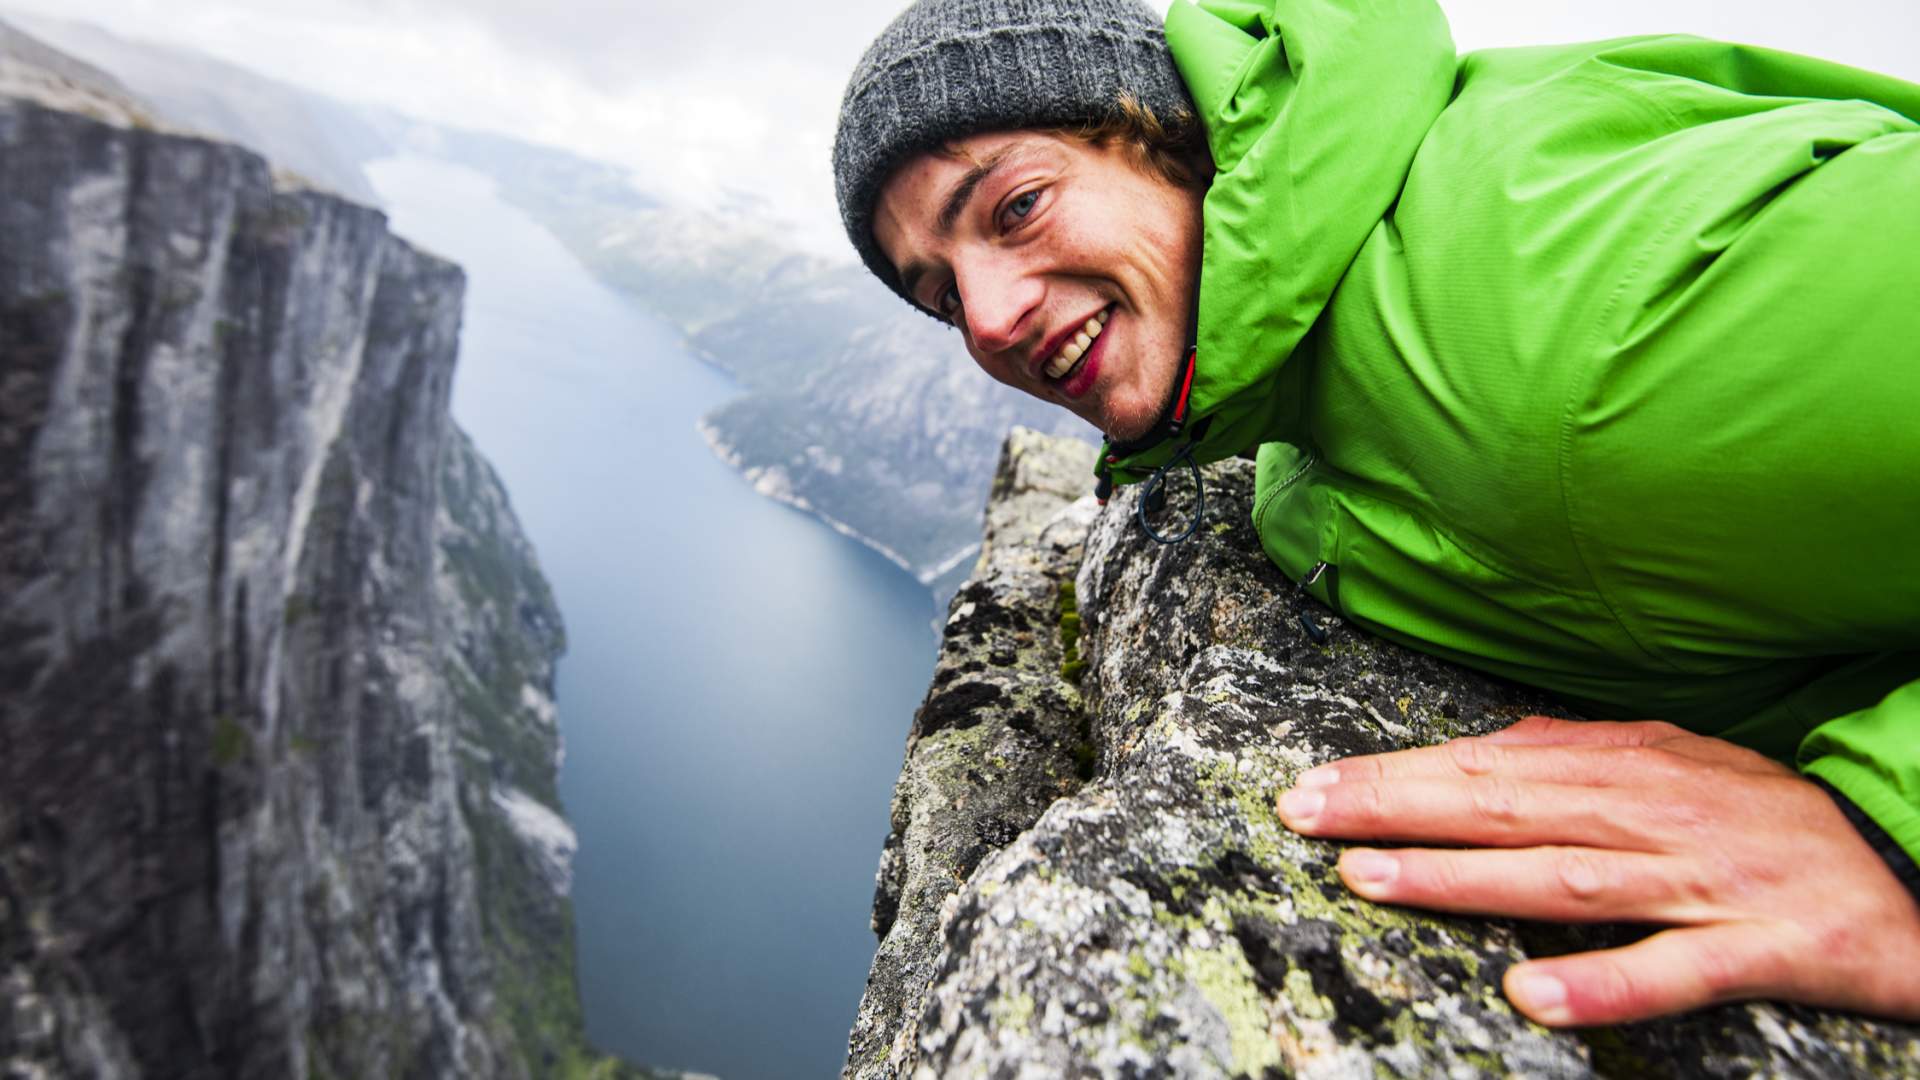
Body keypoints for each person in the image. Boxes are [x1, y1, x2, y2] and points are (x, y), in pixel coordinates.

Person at [832, 0, 1920, 1029]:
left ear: (1160, 131)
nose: (989, 320)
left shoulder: (1568, 318)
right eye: (942, 297)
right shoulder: (1308, 401)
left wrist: (1891, 836)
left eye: (1016, 206)